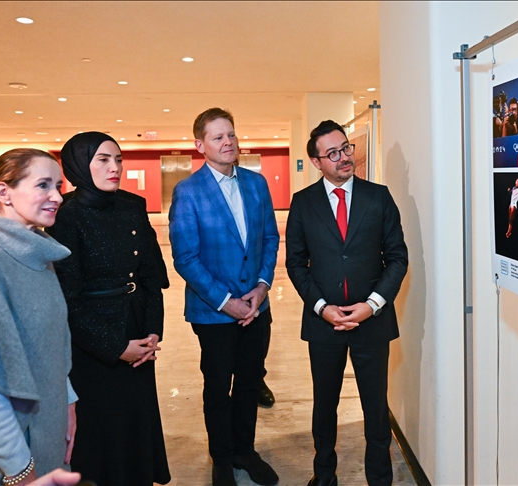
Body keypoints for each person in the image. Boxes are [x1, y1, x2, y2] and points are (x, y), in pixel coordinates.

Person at [286, 120, 408, 486]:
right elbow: (295, 262)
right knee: (325, 407)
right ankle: (324, 476)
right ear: (316, 161)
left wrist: (372, 304)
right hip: (324, 324)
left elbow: (398, 258)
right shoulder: (303, 203)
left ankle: (379, 479)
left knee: (375, 408)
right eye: (333, 153)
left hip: (371, 322)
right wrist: (323, 307)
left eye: (346, 148)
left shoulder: (378, 197)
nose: (344, 158)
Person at [45, 132, 171, 486]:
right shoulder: (65, 217)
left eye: (117, 159)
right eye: (103, 159)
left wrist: (151, 332)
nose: (114, 167)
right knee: (101, 431)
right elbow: (67, 300)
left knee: (135, 421)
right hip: (92, 343)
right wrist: (116, 348)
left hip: (137, 329)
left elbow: (151, 274)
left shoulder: (132, 205)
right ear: (78, 165)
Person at [169, 108, 279, 486]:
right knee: (218, 387)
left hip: (257, 305)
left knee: (249, 382)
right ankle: (221, 457)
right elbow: (185, 258)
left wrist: (262, 287)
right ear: (200, 145)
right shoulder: (188, 192)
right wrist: (227, 302)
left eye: (231, 134)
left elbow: (269, 238)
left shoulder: (257, 183)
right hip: (213, 313)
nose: (228, 142)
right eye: (218, 137)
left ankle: (245, 451)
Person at [0, 149, 76, 485]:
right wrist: (20, 471)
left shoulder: (37, 253)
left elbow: (47, 344)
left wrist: (66, 401)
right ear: (3, 192)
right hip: (10, 461)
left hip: (46, 437)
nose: (56, 196)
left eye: (58, 185)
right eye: (43, 185)